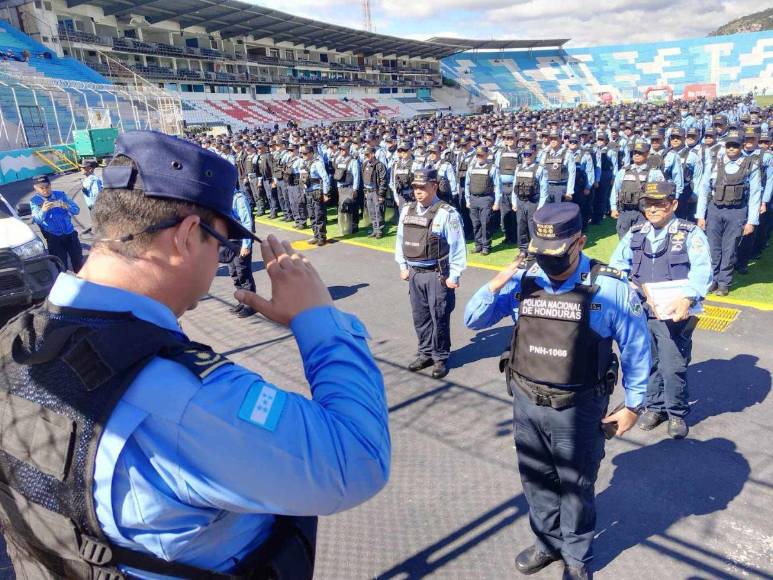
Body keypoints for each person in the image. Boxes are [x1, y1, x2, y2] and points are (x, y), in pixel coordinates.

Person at [0, 130, 390, 579]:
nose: (219, 265)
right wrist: (319, 321)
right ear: (187, 235)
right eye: (219, 245)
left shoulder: (20, 340)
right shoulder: (178, 395)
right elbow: (356, 459)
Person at [464, 202, 650, 579]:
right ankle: (548, 544)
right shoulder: (525, 279)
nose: (547, 262)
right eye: (540, 253)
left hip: (577, 409)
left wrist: (634, 405)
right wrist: (498, 281)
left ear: (580, 242)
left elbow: (636, 347)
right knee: (536, 480)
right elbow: (474, 318)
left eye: (557, 254)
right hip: (526, 402)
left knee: (575, 485)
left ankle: (578, 558)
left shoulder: (609, 287)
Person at [610, 182, 712, 439]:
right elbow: (617, 267)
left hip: (673, 313)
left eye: (660, 203)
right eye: (648, 204)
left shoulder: (690, 233)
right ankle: (654, 407)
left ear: (673, 204)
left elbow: (702, 271)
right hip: (641, 310)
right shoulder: (635, 233)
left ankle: (676, 412)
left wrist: (688, 298)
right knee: (648, 361)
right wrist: (630, 287)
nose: (653, 209)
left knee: (672, 364)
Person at [395, 168, 466, 380]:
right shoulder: (407, 210)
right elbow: (400, 239)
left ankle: (440, 357)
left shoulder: (446, 213)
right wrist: (402, 265)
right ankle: (425, 353)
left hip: (437, 274)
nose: (417, 191)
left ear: (434, 186)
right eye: (415, 187)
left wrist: (455, 275)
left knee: (439, 317)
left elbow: (457, 246)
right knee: (421, 317)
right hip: (415, 273)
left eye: (422, 187)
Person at [697, 128, 762, 295]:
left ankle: (724, 282)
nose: (731, 148)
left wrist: (751, 221)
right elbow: (704, 189)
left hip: (737, 211)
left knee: (730, 248)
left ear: (742, 146)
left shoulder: (750, 164)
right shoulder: (714, 163)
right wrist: (700, 215)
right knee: (713, 247)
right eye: (729, 145)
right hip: (715, 210)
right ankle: (713, 279)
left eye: (735, 145)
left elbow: (755, 193)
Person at [610, 141, 665, 238]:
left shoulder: (654, 172)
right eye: (634, 152)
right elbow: (615, 190)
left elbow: (660, 194)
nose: (636, 155)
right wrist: (613, 208)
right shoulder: (624, 171)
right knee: (624, 241)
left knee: (642, 240)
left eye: (640, 153)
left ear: (647, 154)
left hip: (644, 213)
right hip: (625, 212)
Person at [29, 174, 84, 272]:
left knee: (78, 261)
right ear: (35, 188)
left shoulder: (61, 195)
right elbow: (37, 219)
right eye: (41, 188)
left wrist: (67, 207)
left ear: (50, 185)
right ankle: (65, 283)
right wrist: (43, 210)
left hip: (69, 233)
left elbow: (77, 210)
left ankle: (83, 281)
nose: (45, 190)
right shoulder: (34, 201)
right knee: (61, 265)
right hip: (54, 237)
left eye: (47, 187)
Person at [464, 145, 500, 255]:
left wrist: (497, 202)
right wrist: (467, 200)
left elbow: (498, 186)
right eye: (477, 155)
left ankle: (486, 246)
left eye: (481, 155)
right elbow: (467, 184)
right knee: (476, 224)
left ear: (487, 155)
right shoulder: (471, 167)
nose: (479, 157)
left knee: (486, 223)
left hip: (486, 198)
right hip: (474, 198)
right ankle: (478, 245)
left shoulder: (492, 168)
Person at [228, 186, 257, 318]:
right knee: (233, 272)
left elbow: (246, 223)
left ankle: (251, 305)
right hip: (230, 240)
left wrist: (246, 245)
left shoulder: (238, 198)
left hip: (240, 241)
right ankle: (242, 300)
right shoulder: (224, 197)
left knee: (243, 273)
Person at [299, 144, 331, 246]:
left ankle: (322, 236)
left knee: (319, 215)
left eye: (305, 153)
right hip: (308, 192)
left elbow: (325, 178)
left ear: (311, 153)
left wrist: (325, 193)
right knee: (312, 216)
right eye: (302, 153)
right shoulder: (303, 164)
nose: (303, 155)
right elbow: (303, 179)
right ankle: (316, 235)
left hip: (316, 192)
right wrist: (303, 191)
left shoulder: (317, 163)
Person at [362, 145, 389, 238]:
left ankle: (380, 230)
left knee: (378, 212)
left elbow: (383, 180)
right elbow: (364, 178)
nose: (366, 156)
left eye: (368, 154)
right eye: (366, 154)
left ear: (373, 154)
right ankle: (375, 229)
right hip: (368, 191)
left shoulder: (380, 165)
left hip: (376, 192)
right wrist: (365, 191)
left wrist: (381, 194)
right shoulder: (365, 164)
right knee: (371, 212)